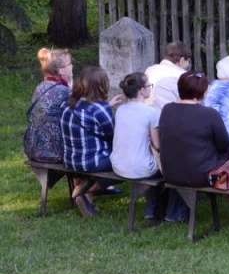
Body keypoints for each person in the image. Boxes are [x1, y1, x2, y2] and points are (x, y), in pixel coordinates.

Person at [158, 72, 229, 221]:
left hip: (170, 172)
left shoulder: (167, 110)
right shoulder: (209, 114)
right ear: (203, 92)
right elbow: (224, 145)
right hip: (201, 175)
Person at [60, 66, 125, 217]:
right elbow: (114, 136)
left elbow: (88, 115)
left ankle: (87, 190)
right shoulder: (100, 109)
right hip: (91, 162)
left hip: (69, 160)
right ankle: (86, 192)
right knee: (128, 162)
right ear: (103, 85)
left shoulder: (68, 103)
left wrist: (107, 106)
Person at [110, 72, 163, 219]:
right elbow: (157, 145)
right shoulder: (152, 113)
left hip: (118, 165)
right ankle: (152, 209)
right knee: (163, 166)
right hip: (140, 168)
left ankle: (152, 209)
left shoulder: (120, 110)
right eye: (149, 86)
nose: (150, 88)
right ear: (142, 90)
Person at [24, 48, 73, 163]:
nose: (72, 66)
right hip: (53, 152)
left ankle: (80, 181)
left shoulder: (41, 86)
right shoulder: (64, 91)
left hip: (33, 148)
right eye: (69, 64)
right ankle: (84, 180)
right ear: (60, 71)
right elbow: (81, 118)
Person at [145, 41, 192, 109]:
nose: (188, 64)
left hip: (149, 115)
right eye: (188, 61)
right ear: (182, 60)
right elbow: (190, 102)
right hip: (170, 116)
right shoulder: (182, 75)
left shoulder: (149, 70)